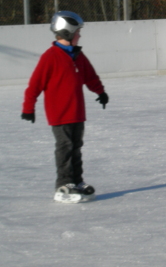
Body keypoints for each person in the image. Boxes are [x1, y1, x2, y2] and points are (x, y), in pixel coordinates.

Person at [21, 11, 109, 202]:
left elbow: (90, 76)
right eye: (78, 32)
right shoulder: (50, 57)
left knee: (76, 147)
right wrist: (28, 108)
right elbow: (35, 85)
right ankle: (63, 184)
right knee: (65, 147)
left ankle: (76, 181)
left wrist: (100, 92)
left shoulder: (78, 55)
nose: (80, 35)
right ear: (68, 32)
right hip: (59, 114)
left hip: (77, 112)